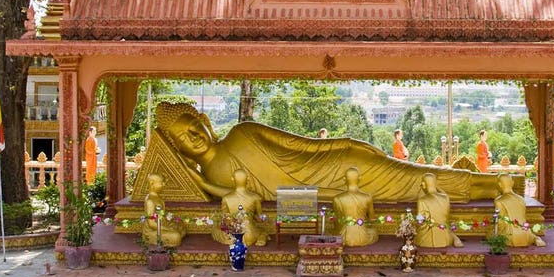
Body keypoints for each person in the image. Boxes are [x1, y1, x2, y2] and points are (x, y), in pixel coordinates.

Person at [154, 102, 509, 203]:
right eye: (183, 138)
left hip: (338, 165)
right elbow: (244, 199)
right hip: (325, 194)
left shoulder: (241, 132)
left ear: (205, 122)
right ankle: (496, 188)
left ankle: (498, 186)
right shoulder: (210, 176)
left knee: (418, 178)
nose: (193, 136)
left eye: (193, 127)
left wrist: (347, 143)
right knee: (414, 187)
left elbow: (303, 144)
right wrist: (197, 183)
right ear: (176, 148)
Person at [212, 169, 268, 246]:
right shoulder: (255, 197)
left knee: (215, 229)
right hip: (250, 235)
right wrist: (255, 216)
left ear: (232, 179)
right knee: (262, 230)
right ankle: (262, 237)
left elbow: (226, 219)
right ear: (248, 178)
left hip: (233, 235)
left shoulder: (226, 198)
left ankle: (230, 238)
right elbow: (261, 219)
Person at [494, 173, 545, 248]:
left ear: (499, 184)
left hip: (510, 236)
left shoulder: (499, 201)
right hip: (526, 234)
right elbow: (523, 218)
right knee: (527, 231)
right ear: (512, 183)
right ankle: (535, 238)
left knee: (490, 234)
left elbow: (500, 223)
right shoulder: (521, 199)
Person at [331, 167, 378, 246]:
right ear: (360, 178)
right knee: (373, 231)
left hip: (344, 236)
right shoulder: (367, 197)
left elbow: (338, 222)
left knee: (329, 231)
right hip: (363, 236)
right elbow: (372, 219)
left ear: (344, 179)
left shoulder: (337, 198)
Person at [414, 173, 463, 248]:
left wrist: (411, 221)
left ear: (423, 184)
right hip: (446, 237)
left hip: (427, 239)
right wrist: (434, 186)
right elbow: (443, 193)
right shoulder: (446, 198)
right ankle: (454, 237)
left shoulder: (422, 200)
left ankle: (455, 237)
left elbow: (420, 222)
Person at [142, 174, 186, 248]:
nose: (164, 184)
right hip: (152, 231)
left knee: (182, 227)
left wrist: (170, 224)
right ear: (152, 183)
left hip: (162, 225)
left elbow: (162, 215)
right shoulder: (150, 201)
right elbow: (152, 224)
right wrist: (167, 229)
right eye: (161, 182)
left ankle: (173, 233)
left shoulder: (157, 197)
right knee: (176, 236)